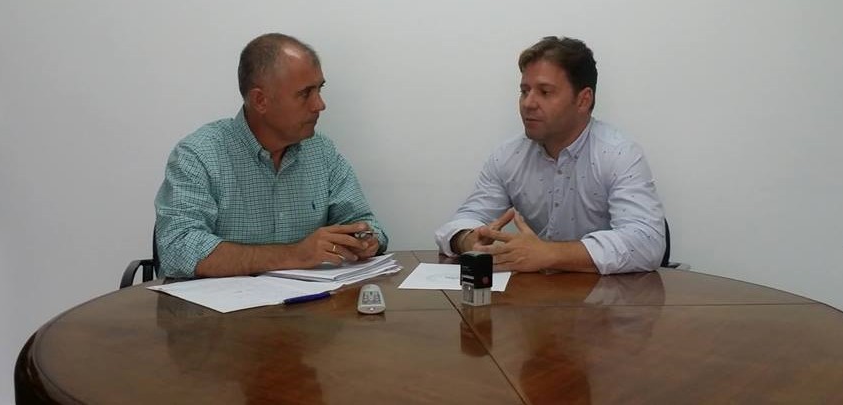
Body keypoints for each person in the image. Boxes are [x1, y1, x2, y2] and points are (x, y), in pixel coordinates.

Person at [155, 33, 388, 278]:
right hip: (221, 303)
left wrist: (365, 240)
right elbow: (178, 247)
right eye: (305, 93)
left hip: (308, 300)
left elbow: (364, 222)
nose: (319, 105)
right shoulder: (199, 155)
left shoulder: (322, 151)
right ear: (260, 100)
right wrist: (295, 255)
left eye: (319, 89)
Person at [434, 36, 665, 275]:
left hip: (606, 294)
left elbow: (647, 243)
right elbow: (464, 220)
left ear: (583, 100)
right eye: (524, 91)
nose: (528, 103)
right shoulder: (508, 156)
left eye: (544, 92)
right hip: (536, 294)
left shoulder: (618, 154)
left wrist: (549, 254)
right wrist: (468, 240)